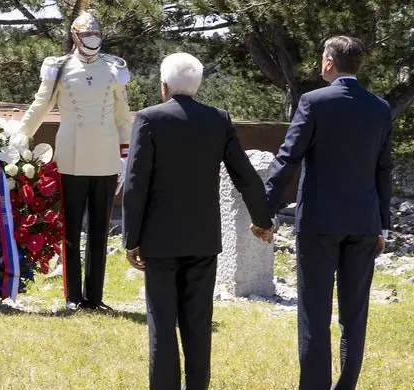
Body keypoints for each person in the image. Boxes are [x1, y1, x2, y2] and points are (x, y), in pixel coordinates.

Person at [122, 52, 273, 390]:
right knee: (198, 324)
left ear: (163, 86)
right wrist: (263, 220)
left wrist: (131, 239)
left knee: (163, 324)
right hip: (203, 239)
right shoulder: (218, 120)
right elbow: (245, 175)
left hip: (159, 240)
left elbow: (135, 183)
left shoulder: (148, 119)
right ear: (198, 86)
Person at [264, 36, 392, 390]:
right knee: (355, 315)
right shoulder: (380, 108)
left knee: (315, 315)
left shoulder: (313, 102)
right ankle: (346, 385)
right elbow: (385, 169)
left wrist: (264, 209)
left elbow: (288, 157)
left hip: (320, 222)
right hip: (365, 223)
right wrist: (383, 225)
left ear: (329, 63)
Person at [18, 9, 132, 312]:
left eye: (96, 34)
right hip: (72, 158)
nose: (92, 39)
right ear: (74, 37)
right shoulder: (58, 68)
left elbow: (123, 117)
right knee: (70, 229)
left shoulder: (114, 68)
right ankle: (72, 297)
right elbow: (39, 106)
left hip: (107, 158)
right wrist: (17, 138)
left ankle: (95, 297)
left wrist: (125, 155)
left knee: (99, 230)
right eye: (86, 34)